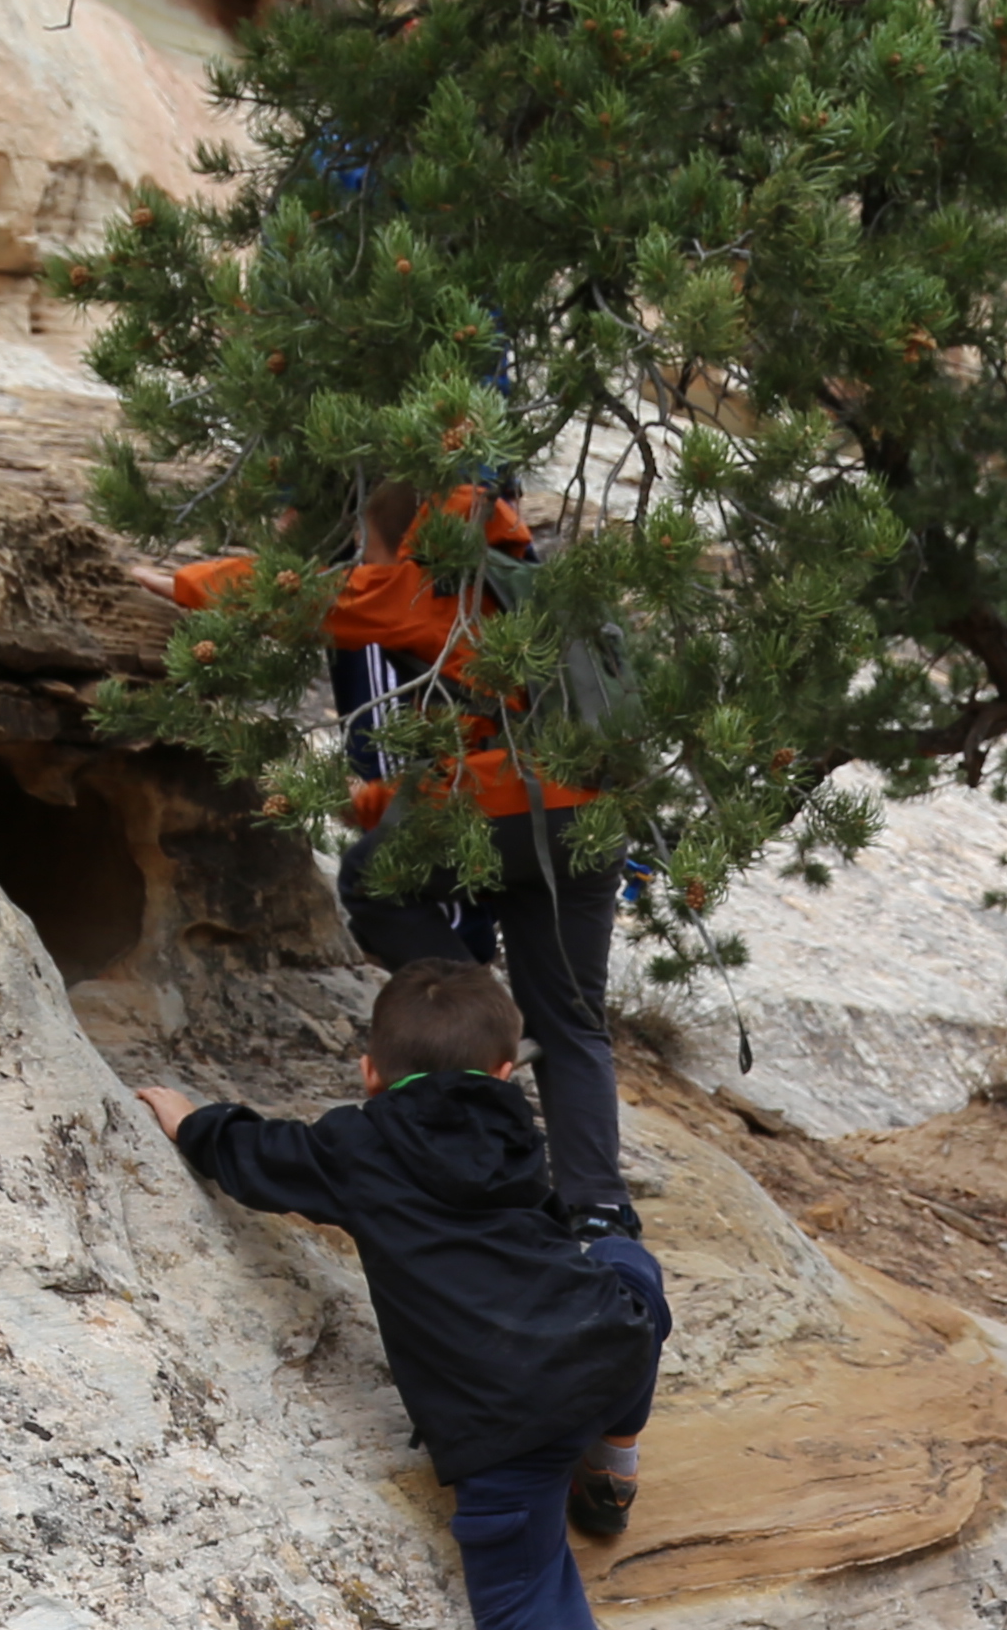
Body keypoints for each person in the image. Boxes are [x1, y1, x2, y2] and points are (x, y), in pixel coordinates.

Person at [137, 961, 697, 1630]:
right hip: (602, 1351)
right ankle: (615, 1463)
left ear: (369, 1073)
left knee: (520, 1598)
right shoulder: (520, 1136)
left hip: (507, 1417)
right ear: (508, 1075)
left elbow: (252, 1159)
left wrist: (187, 1116)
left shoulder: (358, 1148)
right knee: (630, 1274)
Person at [142, 484, 637, 1236]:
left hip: (510, 813)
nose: (365, 561)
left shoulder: (444, 585)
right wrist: (374, 802)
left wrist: (191, 583)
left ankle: (474, 1018)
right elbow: (486, 745)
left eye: (366, 545)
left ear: (395, 534)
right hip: (591, 822)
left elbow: (325, 603)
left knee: (374, 879)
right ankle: (599, 1212)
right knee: (573, 1024)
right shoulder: (545, 593)